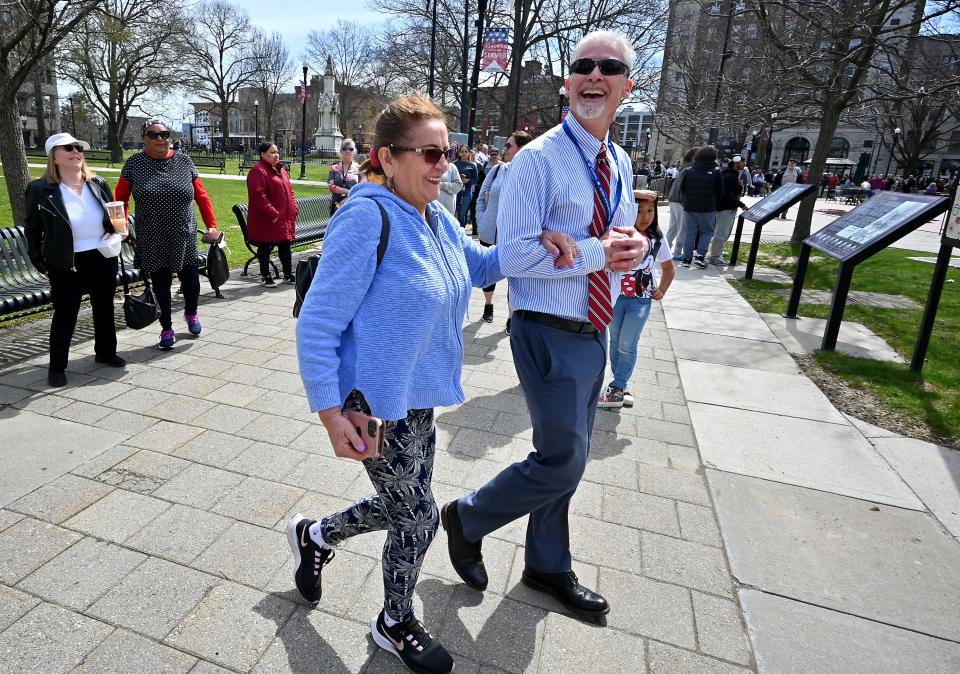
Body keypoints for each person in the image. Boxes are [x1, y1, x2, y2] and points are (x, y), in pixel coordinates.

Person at [286, 93, 578, 674]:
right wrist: (329, 412)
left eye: (446, 153)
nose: (444, 165)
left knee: (403, 506)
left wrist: (538, 244)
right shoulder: (366, 218)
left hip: (417, 396)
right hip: (371, 402)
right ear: (386, 158)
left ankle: (316, 535)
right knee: (417, 513)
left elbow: (481, 267)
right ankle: (394, 621)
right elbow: (317, 324)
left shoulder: (436, 217)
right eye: (429, 153)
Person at [440, 29, 649, 624]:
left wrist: (628, 248)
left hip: (593, 327)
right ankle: (468, 516)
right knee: (563, 459)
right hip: (547, 326)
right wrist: (593, 253)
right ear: (568, 81)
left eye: (608, 67)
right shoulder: (537, 160)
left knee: (568, 454)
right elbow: (516, 256)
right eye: (583, 64)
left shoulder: (619, 159)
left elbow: (620, 234)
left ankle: (547, 564)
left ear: (625, 87)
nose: (594, 74)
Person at [25, 132, 126, 387]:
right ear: (54, 157)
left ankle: (105, 352)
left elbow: (115, 215)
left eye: (78, 147)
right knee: (65, 314)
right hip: (66, 261)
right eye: (68, 148)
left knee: (104, 307)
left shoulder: (97, 182)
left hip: (102, 256)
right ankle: (57, 366)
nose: (76, 151)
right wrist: (40, 263)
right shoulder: (41, 189)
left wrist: (120, 230)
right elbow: (33, 230)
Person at [115, 120, 218, 350]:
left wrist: (211, 225)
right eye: (153, 134)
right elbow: (120, 199)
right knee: (161, 284)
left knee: (191, 280)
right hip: (152, 234)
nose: (160, 139)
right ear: (144, 138)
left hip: (184, 232)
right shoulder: (134, 164)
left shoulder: (184, 161)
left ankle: (191, 314)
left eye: (164, 134)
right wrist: (121, 226)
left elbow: (201, 196)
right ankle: (166, 328)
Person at [598, 189, 674, 408]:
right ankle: (620, 385)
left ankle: (617, 387)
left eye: (650, 210)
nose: (645, 216)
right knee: (615, 341)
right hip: (615, 298)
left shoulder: (656, 238)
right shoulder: (621, 233)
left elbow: (669, 269)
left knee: (627, 344)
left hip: (640, 301)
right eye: (639, 211)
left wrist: (662, 290)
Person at [475, 130, 533, 327]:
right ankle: (488, 305)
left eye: (509, 146)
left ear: (522, 149)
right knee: (488, 269)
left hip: (515, 235)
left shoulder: (531, 174)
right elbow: (482, 195)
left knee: (514, 276)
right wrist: (481, 219)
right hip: (490, 230)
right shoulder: (499, 169)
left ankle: (510, 317)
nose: (504, 149)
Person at [246, 142, 298, 287]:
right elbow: (258, 196)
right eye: (272, 152)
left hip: (283, 218)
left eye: (277, 152)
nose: (276, 155)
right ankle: (265, 275)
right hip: (267, 220)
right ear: (263, 154)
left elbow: (290, 192)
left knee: (285, 245)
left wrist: (294, 208)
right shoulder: (258, 171)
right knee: (265, 246)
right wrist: (273, 214)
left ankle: (288, 274)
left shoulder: (281, 171)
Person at [679, 145, 722, 269]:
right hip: (708, 207)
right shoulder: (716, 171)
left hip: (690, 206)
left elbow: (683, 189)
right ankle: (700, 256)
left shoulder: (689, 171)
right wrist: (716, 205)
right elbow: (720, 191)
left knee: (690, 232)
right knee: (707, 232)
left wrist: (686, 201)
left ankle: (686, 259)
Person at [709, 155, 747, 266]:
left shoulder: (730, 175)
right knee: (721, 233)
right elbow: (729, 196)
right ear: (736, 163)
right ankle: (715, 257)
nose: (744, 164)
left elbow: (733, 193)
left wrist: (739, 186)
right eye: (743, 162)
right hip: (726, 208)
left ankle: (717, 254)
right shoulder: (730, 177)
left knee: (724, 233)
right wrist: (742, 205)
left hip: (726, 208)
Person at [666, 146, 697, 260]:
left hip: (674, 199)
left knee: (673, 228)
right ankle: (677, 252)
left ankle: (664, 249)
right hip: (680, 201)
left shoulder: (684, 167)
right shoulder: (690, 169)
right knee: (681, 229)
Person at [327, 140, 360, 215]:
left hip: (353, 206)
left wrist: (347, 199)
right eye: (345, 149)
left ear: (354, 151)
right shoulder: (334, 168)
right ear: (341, 151)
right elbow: (331, 186)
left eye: (351, 149)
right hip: (336, 207)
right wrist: (348, 192)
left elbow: (361, 187)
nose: (348, 151)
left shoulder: (359, 168)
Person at [453, 145, 478, 228]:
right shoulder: (454, 164)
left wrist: (467, 181)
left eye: (465, 152)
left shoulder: (472, 165)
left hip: (467, 191)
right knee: (454, 211)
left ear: (468, 153)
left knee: (462, 213)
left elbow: (475, 179)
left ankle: (462, 231)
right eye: (462, 152)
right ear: (459, 153)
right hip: (456, 191)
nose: (464, 154)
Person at [437, 143, 463, 214]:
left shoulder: (452, 167)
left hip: (447, 210)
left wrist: (442, 185)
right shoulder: (429, 165)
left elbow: (458, 186)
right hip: (431, 210)